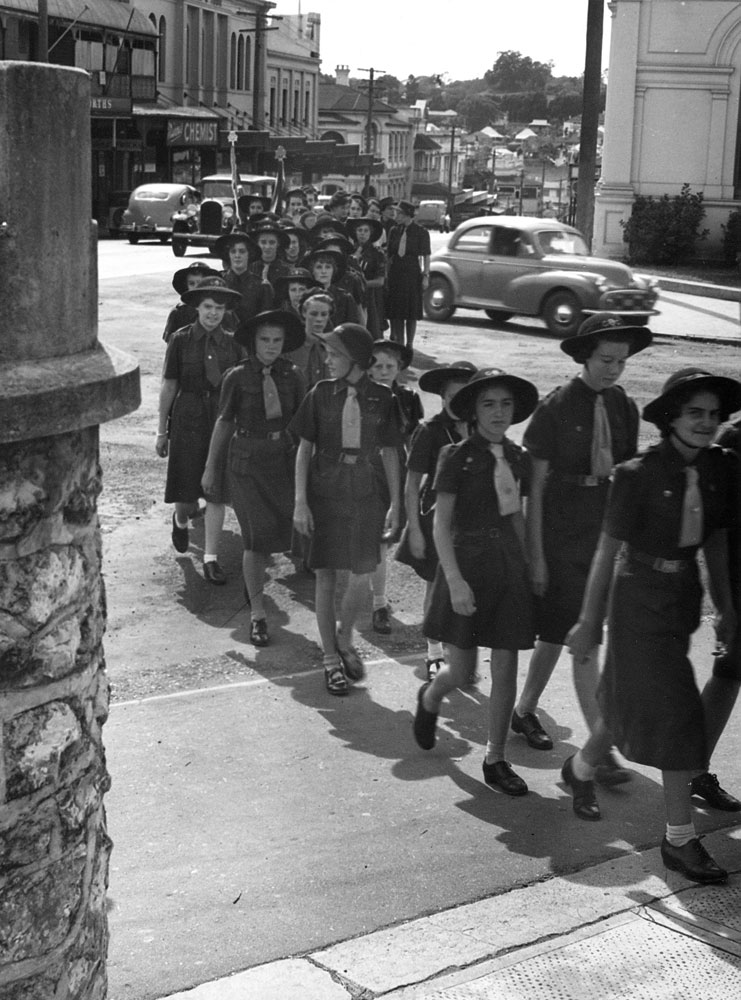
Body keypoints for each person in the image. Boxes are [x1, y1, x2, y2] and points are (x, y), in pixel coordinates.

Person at [564, 368, 740, 884]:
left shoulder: (719, 468)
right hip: (636, 600)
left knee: (628, 705)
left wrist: (726, 606)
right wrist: (587, 620)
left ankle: (579, 769)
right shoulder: (637, 473)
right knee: (678, 713)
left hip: (681, 599)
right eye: (695, 413)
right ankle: (679, 841)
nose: (707, 423)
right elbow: (607, 551)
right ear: (671, 418)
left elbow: (715, 540)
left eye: (713, 414)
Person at [516, 313, 652, 782]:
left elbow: (629, 477)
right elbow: (533, 488)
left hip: (604, 532)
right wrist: (535, 556)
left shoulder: (623, 407)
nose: (614, 369)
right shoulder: (555, 408)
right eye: (605, 359)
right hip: (559, 532)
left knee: (562, 631)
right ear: (584, 357)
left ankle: (525, 707)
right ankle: (599, 751)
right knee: (580, 635)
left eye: (621, 361)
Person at [412, 369, 539, 797]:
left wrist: (532, 564)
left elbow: (516, 514)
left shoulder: (518, 457)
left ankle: (496, 757)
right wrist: (455, 581)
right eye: (489, 404)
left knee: (506, 664)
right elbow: (441, 525)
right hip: (466, 565)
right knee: (462, 672)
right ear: (473, 411)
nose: (499, 412)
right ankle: (431, 698)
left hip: (507, 567)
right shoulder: (456, 456)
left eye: (505, 404)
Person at [291, 324, 402, 695]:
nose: (327, 360)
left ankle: (345, 635)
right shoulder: (319, 394)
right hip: (326, 489)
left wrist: (397, 504)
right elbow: (304, 449)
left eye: (334, 353)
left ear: (354, 359)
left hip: (367, 490)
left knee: (362, 571)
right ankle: (330, 660)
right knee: (325, 574)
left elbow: (390, 452)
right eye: (327, 353)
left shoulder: (384, 398)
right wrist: (300, 502)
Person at [202, 310, 306, 646]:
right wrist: (209, 467)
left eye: (277, 340)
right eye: (265, 340)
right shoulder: (236, 377)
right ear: (253, 342)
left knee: (283, 533)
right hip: (246, 463)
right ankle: (257, 614)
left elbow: (304, 424)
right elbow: (223, 423)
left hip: (283, 462)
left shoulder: (293, 375)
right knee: (254, 538)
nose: (272, 346)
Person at [155, 276, 245, 584]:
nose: (213, 314)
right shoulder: (180, 340)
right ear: (197, 308)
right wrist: (161, 430)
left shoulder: (233, 343)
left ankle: (210, 558)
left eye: (219, 308)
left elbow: (241, 389)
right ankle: (180, 521)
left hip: (221, 417)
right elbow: (169, 385)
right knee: (187, 491)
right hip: (188, 415)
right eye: (207, 307)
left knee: (216, 489)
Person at [396, 361, 477, 678]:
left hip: (473, 519)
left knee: (469, 585)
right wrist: (414, 529)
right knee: (436, 586)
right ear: (442, 398)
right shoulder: (430, 432)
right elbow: (411, 485)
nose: (458, 404)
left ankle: (462, 654)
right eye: (452, 397)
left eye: (464, 396)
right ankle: (433, 654)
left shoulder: (479, 429)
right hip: (436, 518)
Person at [367, 339, 423, 634]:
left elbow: (414, 436)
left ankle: (377, 597)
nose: (384, 371)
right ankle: (372, 598)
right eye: (378, 366)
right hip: (365, 466)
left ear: (400, 368)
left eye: (390, 366)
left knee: (382, 537)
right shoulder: (362, 394)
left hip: (395, 466)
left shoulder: (408, 397)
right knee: (368, 537)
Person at [385, 200, 430, 351]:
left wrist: (425, 276)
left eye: (400, 214)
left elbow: (426, 256)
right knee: (397, 311)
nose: (396, 216)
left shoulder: (421, 232)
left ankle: (409, 344)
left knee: (411, 312)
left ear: (408, 215)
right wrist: (385, 273)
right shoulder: (394, 230)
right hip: (396, 273)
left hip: (412, 273)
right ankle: (399, 342)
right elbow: (389, 254)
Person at [214, 231, 272, 328]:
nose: (237, 255)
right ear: (228, 255)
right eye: (233, 251)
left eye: (242, 251)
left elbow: (265, 322)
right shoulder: (218, 283)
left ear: (249, 254)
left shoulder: (261, 286)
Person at [347, 216, 387, 338]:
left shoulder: (377, 253)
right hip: (350, 296)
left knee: (371, 331)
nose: (362, 234)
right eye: (359, 230)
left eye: (366, 231)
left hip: (370, 297)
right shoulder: (349, 250)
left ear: (371, 233)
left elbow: (380, 281)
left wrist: (360, 283)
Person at [163, 262, 219, 343]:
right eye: (192, 283)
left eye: (200, 283)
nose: (196, 287)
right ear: (187, 286)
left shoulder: (220, 311)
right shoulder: (178, 313)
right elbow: (171, 345)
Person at [289, 290, 333, 389]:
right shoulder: (291, 346)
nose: (319, 319)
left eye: (324, 314)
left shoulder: (334, 347)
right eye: (314, 314)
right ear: (304, 313)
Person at [304, 246, 360, 325]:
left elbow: (353, 328)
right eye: (319, 267)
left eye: (328, 267)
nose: (323, 271)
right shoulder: (306, 296)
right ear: (312, 271)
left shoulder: (345, 297)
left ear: (333, 270)